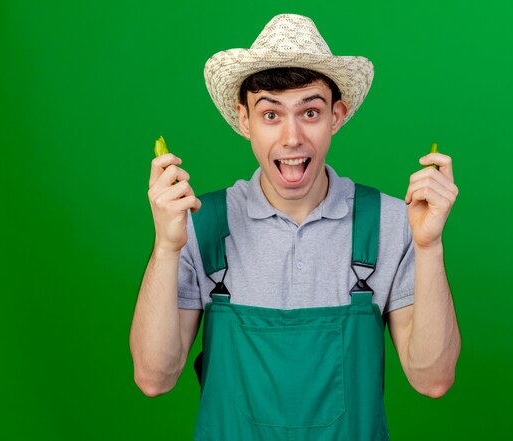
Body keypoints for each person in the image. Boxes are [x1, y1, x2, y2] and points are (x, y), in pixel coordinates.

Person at [130, 13, 460, 441]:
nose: (291, 138)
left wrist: (429, 245)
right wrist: (166, 248)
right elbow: (153, 378)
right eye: (270, 114)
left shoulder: (394, 222)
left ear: (336, 116)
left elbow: (432, 379)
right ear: (244, 118)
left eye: (310, 111)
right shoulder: (200, 223)